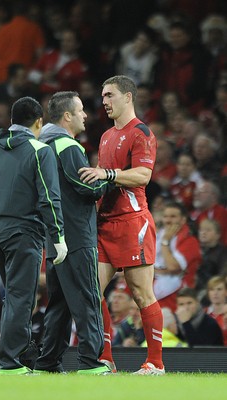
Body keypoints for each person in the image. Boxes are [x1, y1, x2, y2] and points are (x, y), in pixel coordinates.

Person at [79, 75, 164, 375]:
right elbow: (103, 180)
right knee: (92, 292)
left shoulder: (141, 132)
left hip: (132, 222)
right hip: (105, 224)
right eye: (103, 96)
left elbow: (142, 176)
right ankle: (106, 359)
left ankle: (155, 362)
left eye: (110, 95)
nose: (104, 101)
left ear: (128, 97)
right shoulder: (104, 137)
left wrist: (107, 175)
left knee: (141, 294)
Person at [0, 96, 67, 375]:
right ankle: (9, 363)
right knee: (22, 298)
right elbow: (49, 198)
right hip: (23, 232)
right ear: (39, 122)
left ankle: (8, 357)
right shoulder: (39, 150)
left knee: (14, 297)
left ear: (11, 121)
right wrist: (58, 236)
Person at [33, 91, 113, 375]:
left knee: (60, 304)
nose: (85, 115)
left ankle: (47, 363)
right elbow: (87, 187)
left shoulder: (41, 145)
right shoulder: (67, 146)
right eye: (80, 111)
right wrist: (104, 177)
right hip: (77, 236)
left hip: (54, 238)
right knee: (88, 298)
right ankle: (91, 363)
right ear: (67, 116)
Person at [154, 201, 202, 312]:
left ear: (183, 220)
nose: (168, 220)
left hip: (176, 301)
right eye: (165, 216)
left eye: (173, 216)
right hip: (154, 295)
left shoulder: (190, 241)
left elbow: (172, 267)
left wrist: (165, 242)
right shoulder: (157, 236)